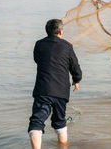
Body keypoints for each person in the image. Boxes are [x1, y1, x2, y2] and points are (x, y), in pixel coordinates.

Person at [28, 19, 82, 149]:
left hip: (43, 90)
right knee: (60, 122)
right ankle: (62, 147)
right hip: (61, 92)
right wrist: (76, 80)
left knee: (37, 121)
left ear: (47, 31)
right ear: (61, 32)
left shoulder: (39, 44)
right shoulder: (67, 46)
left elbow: (37, 59)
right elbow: (75, 67)